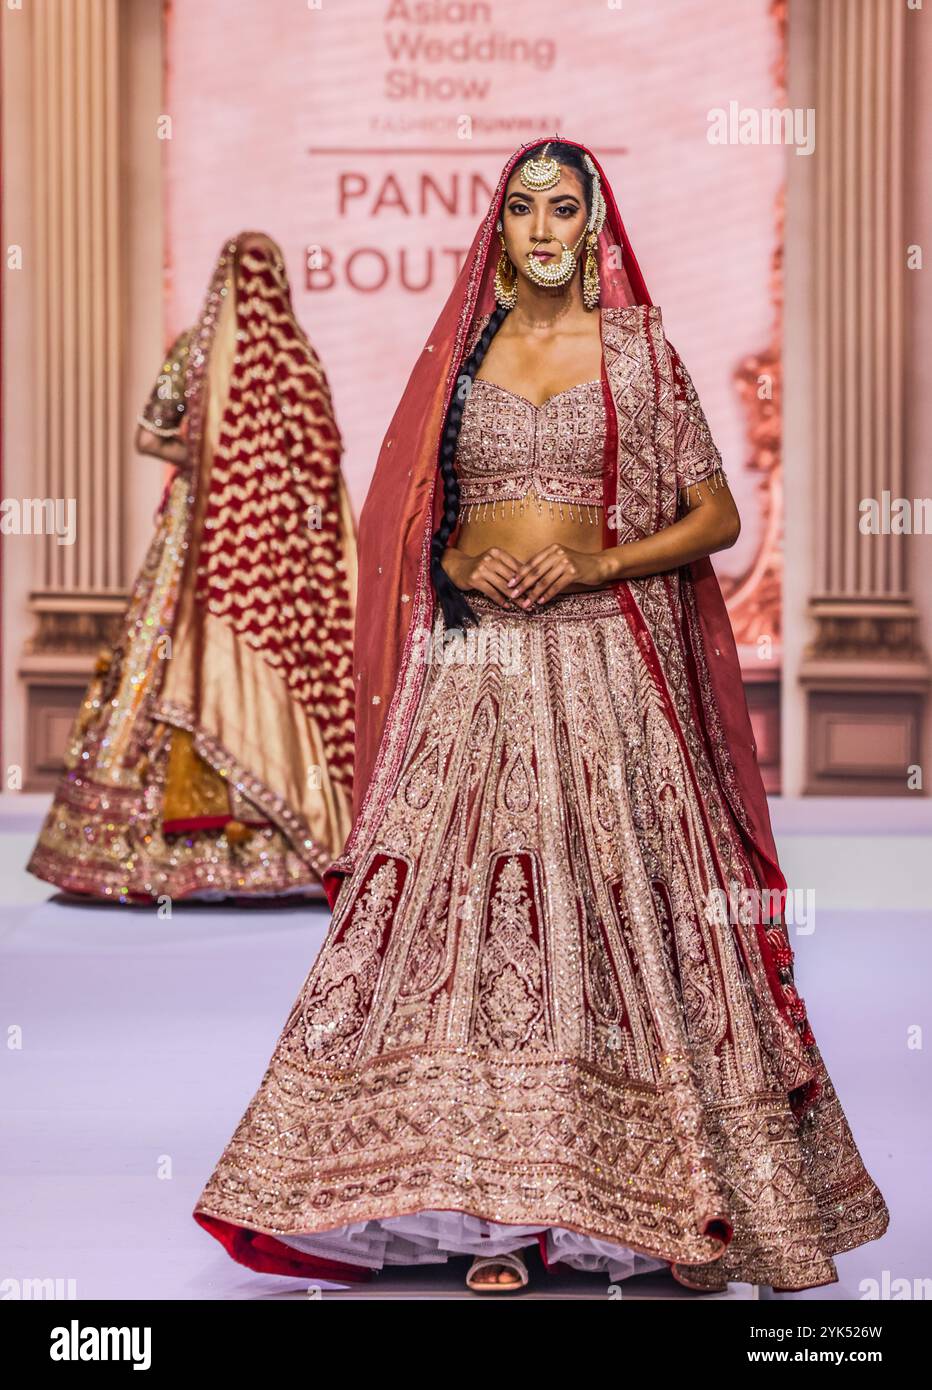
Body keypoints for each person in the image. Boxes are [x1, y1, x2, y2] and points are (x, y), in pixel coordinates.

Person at [192, 142, 889, 1292]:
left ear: (594, 222)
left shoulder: (638, 353)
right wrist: (464, 561)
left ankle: (639, 1198)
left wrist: (596, 561)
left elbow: (711, 516)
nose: (544, 228)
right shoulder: (463, 359)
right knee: (468, 919)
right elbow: (423, 525)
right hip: (483, 671)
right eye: (523, 210)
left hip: (606, 663)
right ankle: (489, 1212)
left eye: (564, 208)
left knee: (603, 911)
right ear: (500, 228)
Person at [27, 232, 357, 902]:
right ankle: (283, 845)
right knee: (266, 666)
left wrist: (205, 463)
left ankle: (152, 859)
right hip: (275, 557)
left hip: (199, 536)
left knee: (165, 660)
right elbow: (324, 464)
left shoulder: (194, 354)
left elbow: (149, 435)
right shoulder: (297, 361)